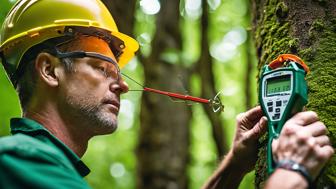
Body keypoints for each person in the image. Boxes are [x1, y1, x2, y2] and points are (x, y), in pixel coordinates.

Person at [0, 0, 333, 189]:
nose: (123, 85)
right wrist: (292, 171)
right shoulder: (20, 159)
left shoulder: (50, 170)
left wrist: (233, 166)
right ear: (49, 70)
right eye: (103, 68)